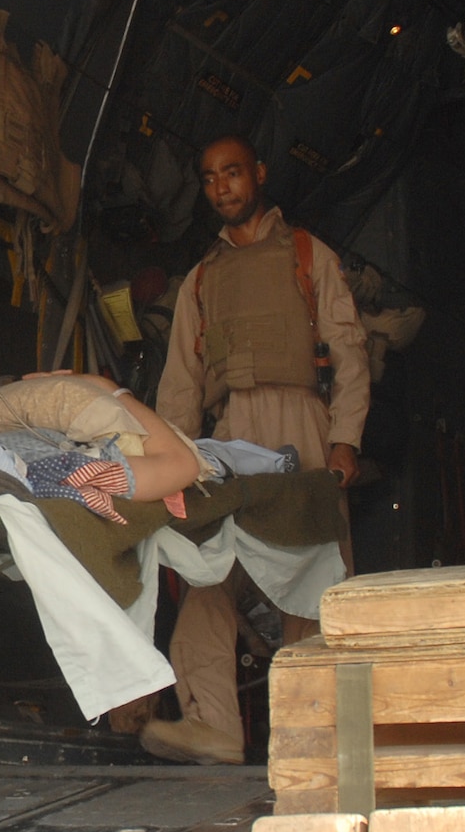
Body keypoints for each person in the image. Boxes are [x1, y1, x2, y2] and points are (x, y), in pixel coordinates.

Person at [145, 135, 370, 765]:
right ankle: (213, 723)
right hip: (230, 436)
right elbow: (181, 387)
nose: (223, 187)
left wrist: (345, 439)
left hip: (303, 422)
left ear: (259, 175)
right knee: (209, 574)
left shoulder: (307, 256)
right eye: (211, 177)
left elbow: (350, 353)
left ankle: (320, 735)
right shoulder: (201, 280)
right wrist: (170, 468)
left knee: (316, 578)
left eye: (233, 173)